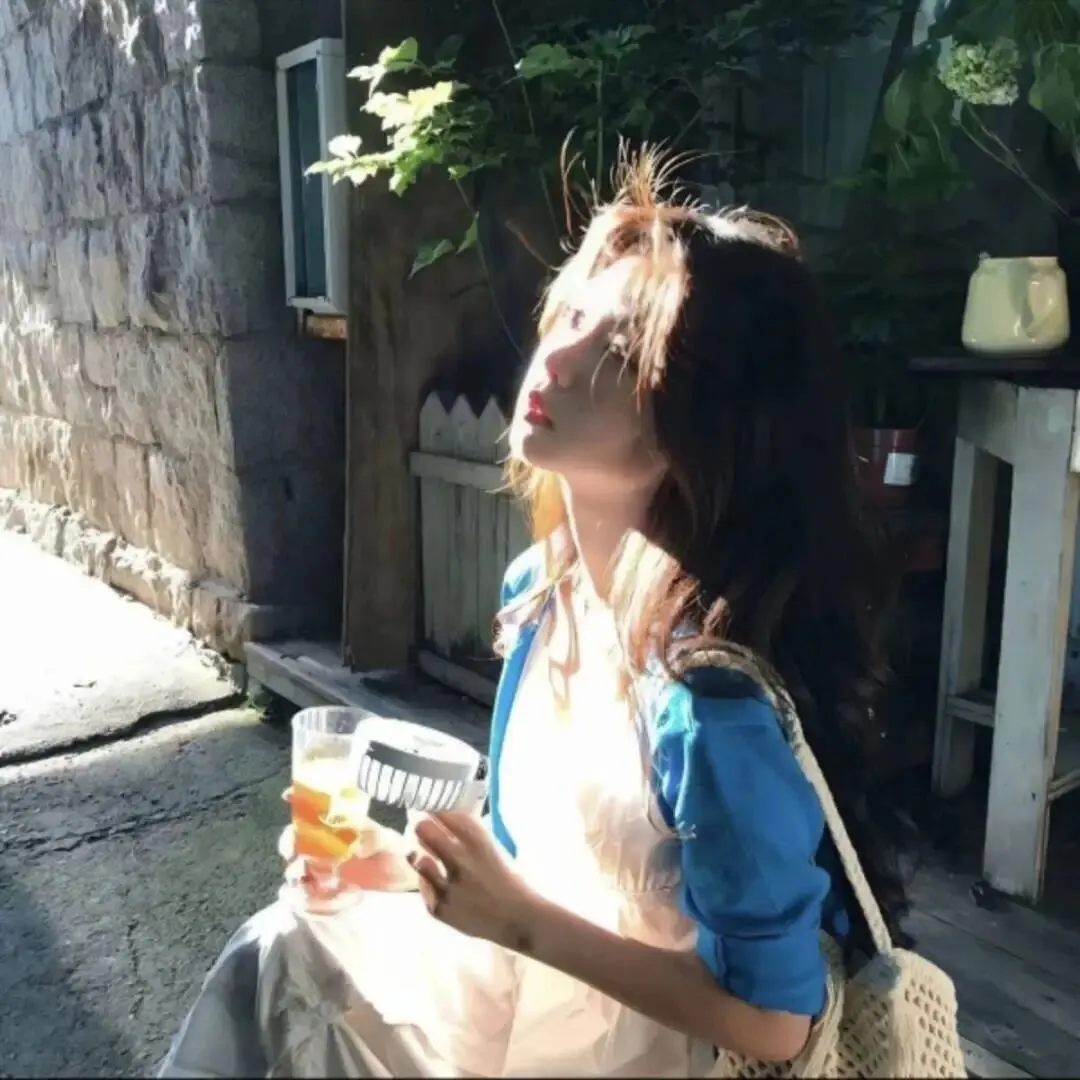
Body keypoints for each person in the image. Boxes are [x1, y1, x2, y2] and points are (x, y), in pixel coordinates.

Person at [159, 149, 912, 1079]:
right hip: (531, 996)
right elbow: (542, 861)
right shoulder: (544, 592)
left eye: (621, 351)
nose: (559, 355)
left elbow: (776, 1022)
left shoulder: (708, 699)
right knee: (291, 948)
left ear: (709, 424)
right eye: (573, 316)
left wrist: (515, 920)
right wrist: (411, 873)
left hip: (650, 1056)